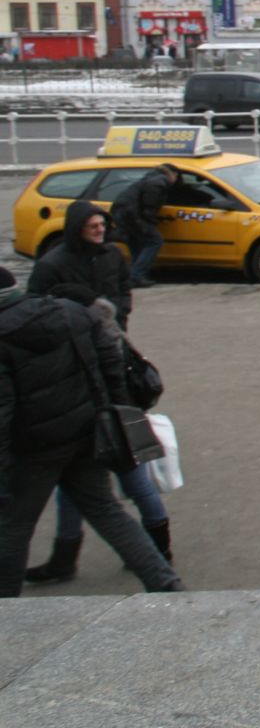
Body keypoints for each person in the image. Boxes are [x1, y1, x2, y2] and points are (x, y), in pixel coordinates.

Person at [0, 274, 183, 596]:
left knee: (13, 529)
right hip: (87, 433)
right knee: (107, 512)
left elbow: (3, 409)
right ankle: (166, 584)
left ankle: (7, 610)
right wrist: (114, 410)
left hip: (35, 449)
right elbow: (111, 358)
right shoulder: (68, 311)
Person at [29, 201, 132, 317]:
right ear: (78, 229)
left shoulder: (113, 253)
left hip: (112, 327)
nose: (101, 230)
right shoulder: (50, 265)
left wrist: (122, 312)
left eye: (103, 224)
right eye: (94, 226)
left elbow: (124, 286)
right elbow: (35, 305)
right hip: (75, 330)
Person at [109, 164, 178, 289]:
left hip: (122, 211)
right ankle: (137, 275)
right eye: (176, 176)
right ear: (172, 174)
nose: (176, 179)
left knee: (137, 243)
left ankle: (133, 275)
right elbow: (150, 204)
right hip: (130, 214)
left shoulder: (152, 177)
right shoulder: (160, 181)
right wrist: (150, 220)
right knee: (154, 241)